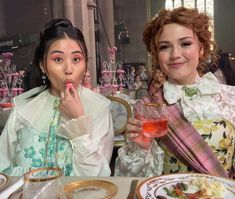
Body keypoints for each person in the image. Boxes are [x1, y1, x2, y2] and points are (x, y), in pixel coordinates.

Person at [115, 7, 235, 178]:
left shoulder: (231, 99)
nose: (175, 55)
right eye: (165, 47)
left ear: (201, 48)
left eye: (185, 43)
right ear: (156, 55)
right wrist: (142, 148)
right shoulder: (147, 107)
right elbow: (137, 181)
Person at [0, 19, 114, 176]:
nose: (68, 69)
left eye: (76, 59)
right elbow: (2, 166)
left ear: (85, 63)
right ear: (42, 65)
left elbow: (96, 181)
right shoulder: (23, 108)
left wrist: (78, 121)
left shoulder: (99, 109)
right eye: (58, 59)